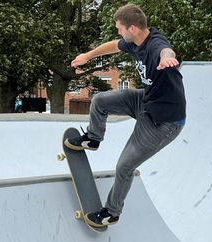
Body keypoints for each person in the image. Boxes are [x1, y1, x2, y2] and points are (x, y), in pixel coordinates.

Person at [65, 4, 186, 228]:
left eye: (120, 29)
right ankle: (93, 137)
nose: (119, 33)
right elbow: (113, 46)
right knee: (100, 100)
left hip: (164, 122)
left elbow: (166, 50)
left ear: (132, 27)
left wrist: (168, 58)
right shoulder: (133, 42)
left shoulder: (155, 45)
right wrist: (88, 56)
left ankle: (112, 212)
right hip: (147, 100)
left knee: (124, 167)